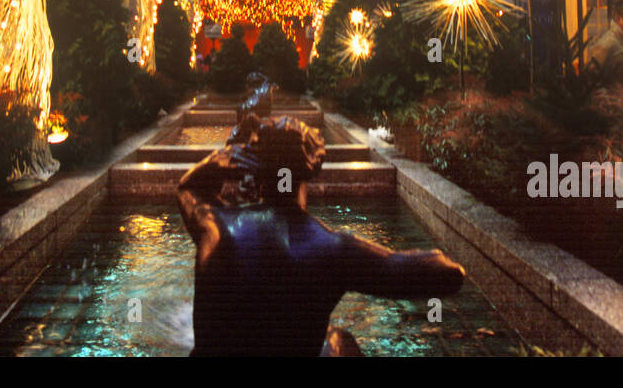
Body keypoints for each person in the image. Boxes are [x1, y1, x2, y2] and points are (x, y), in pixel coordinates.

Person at [177, 117, 465, 356]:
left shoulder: (214, 227)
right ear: (313, 168)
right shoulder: (335, 249)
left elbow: (188, 188)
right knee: (338, 340)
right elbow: (449, 274)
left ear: (254, 168)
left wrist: (215, 162)